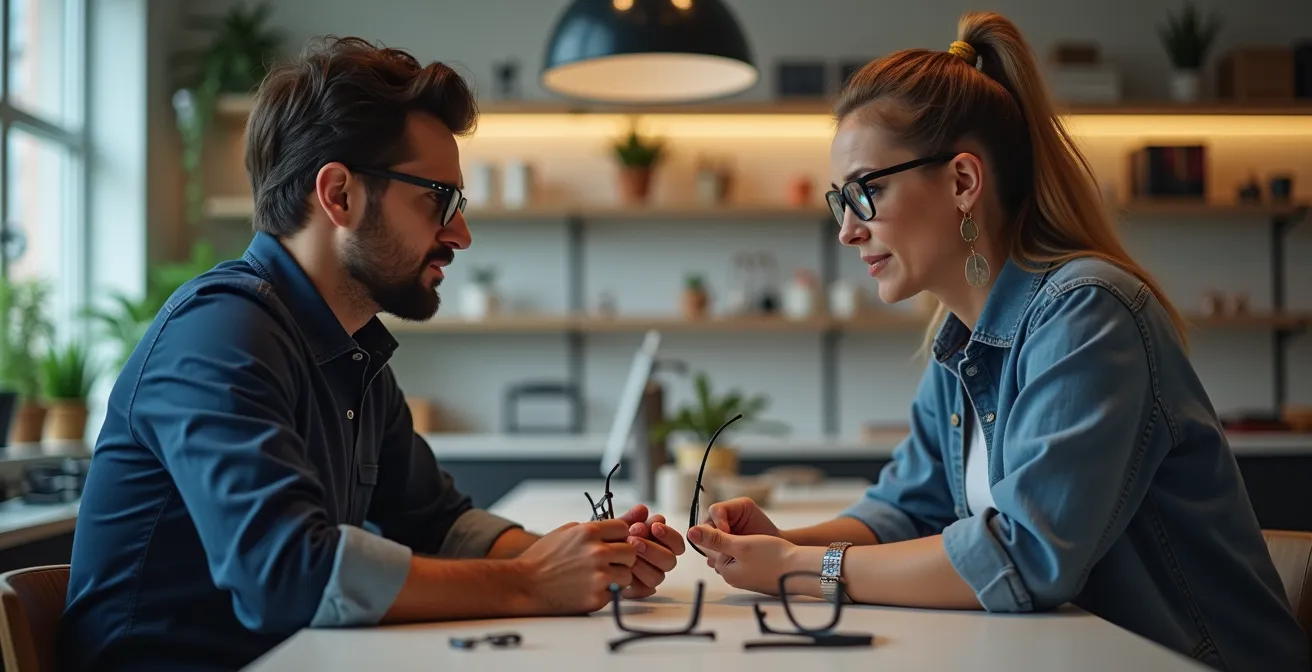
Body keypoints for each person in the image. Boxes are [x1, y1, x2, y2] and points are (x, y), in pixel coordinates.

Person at [687, 11, 1309, 672]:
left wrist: (804, 567)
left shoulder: (1088, 315)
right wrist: (783, 543)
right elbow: (907, 509)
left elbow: (1025, 557)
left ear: (962, 181)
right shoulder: (960, 340)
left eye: (866, 192)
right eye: (841, 201)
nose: (848, 231)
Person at [58, 36, 686, 672]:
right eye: (437, 199)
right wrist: (530, 582)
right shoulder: (218, 334)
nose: (460, 235)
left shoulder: (351, 354)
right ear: (338, 195)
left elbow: (437, 521)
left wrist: (580, 556)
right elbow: (287, 574)